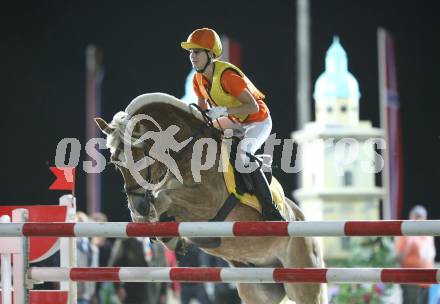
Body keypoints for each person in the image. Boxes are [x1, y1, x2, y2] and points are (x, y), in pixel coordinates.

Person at [181, 27, 282, 220]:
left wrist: (224, 111)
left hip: (258, 121)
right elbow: (204, 115)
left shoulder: (228, 77)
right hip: (235, 120)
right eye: (191, 52)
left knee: (243, 154)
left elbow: (252, 107)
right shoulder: (197, 80)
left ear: (210, 54)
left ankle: (270, 209)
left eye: (197, 52)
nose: (192, 56)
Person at [395, 205, 436, 304]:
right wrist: (408, 243)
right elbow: (398, 258)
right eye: (416, 216)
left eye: (422, 217)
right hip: (411, 281)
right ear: (411, 217)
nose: (419, 219)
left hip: (428, 280)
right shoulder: (405, 233)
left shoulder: (429, 234)